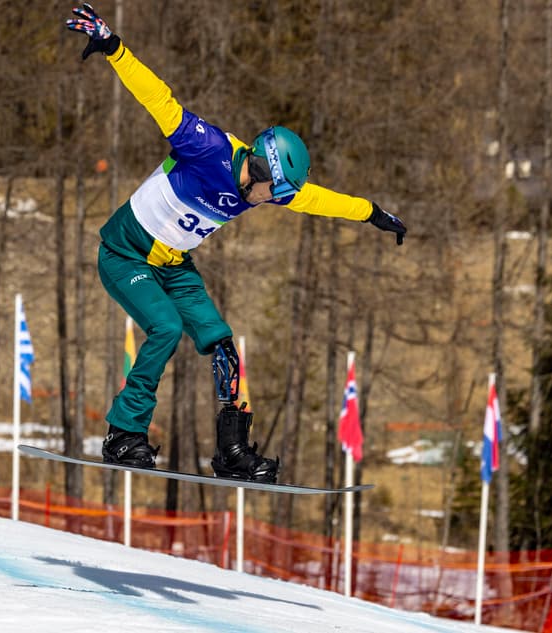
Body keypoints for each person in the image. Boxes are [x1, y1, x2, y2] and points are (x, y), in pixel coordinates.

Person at [66, 3, 406, 483]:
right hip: (125, 254)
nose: (277, 202)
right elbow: (159, 100)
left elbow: (317, 200)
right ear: (262, 168)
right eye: (276, 192)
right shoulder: (207, 149)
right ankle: (124, 434)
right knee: (164, 328)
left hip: (173, 264)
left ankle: (232, 451)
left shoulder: (266, 186)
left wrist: (372, 213)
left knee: (222, 346)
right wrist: (114, 49)